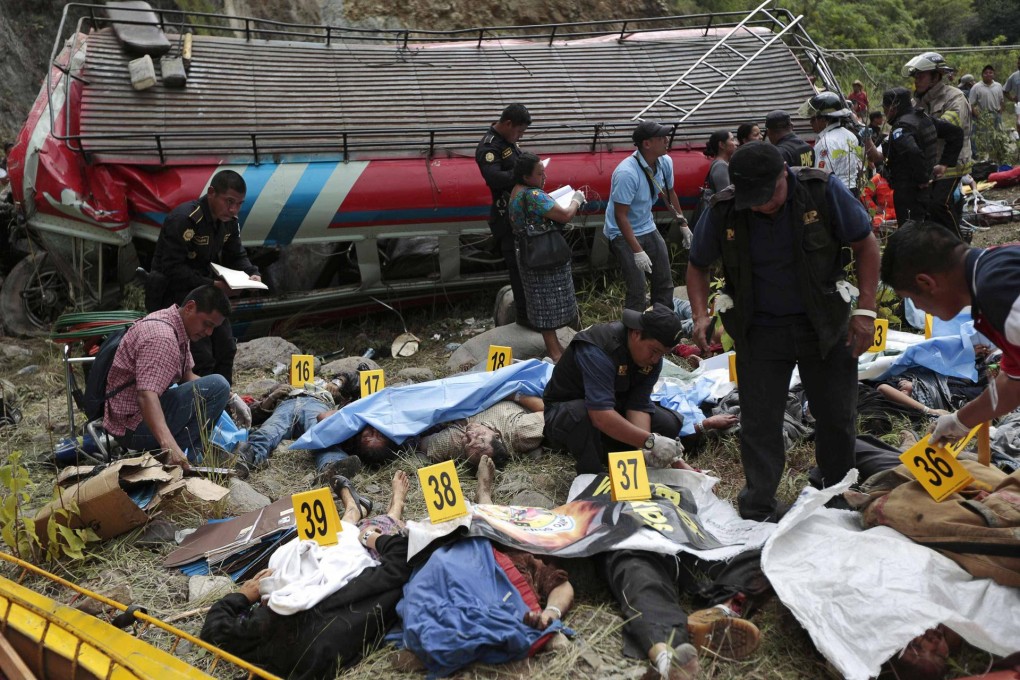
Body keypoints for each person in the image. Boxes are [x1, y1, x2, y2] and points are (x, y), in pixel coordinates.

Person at [686, 142, 880, 521]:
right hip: (759, 329)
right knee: (759, 422)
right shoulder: (725, 207)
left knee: (836, 415)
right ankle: (758, 506)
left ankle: (836, 493)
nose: (762, 205)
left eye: (769, 194)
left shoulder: (821, 190)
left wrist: (867, 310)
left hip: (824, 324)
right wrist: (699, 315)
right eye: (753, 199)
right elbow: (697, 265)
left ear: (785, 174)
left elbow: (865, 243)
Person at [200, 471, 414, 680]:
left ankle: (353, 511)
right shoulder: (355, 599)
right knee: (366, 534)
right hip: (355, 565)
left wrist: (245, 595)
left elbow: (213, 630)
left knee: (323, 543)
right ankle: (394, 509)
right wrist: (368, 536)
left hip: (317, 576)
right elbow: (402, 556)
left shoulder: (266, 636)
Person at [392, 455, 573, 676]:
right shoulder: (427, 538)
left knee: (493, 526)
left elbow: (560, 585)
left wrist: (550, 614)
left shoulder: (514, 555)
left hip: (482, 542)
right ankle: (480, 497)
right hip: (438, 545)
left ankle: (483, 495)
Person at [880, 221, 1020, 447]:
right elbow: (1012, 383)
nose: (921, 309)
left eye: (914, 300)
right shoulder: (998, 261)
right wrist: (960, 420)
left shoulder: (998, 294)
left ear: (926, 282)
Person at [543, 303, 691, 475]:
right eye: (654, 351)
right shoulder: (598, 349)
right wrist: (649, 441)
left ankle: (617, 452)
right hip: (570, 416)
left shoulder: (653, 359)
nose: (655, 359)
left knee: (668, 424)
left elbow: (638, 405)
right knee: (580, 414)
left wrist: (644, 450)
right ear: (636, 333)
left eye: (662, 354)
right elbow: (600, 415)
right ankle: (593, 473)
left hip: (612, 409)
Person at [147, 170, 260, 385]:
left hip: (206, 290)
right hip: (175, 295)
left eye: (239, 203)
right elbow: (172, 268)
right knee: (200, 356)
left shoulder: (229, 221)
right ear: (211, 193)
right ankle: (201, 406)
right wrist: (214, 285)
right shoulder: (185, 219)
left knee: (226, 347)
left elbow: (236, 254)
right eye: (229, 201)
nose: (233, 209)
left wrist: (252, 273)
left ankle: (223, 399)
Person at [102, 285, 233, 469]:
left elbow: (187, 376)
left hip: (133, 417)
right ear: (190, 308)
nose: (209, 333)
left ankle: (189, 458)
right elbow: (146, 396)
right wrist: (169, 445)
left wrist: (231, 397)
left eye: (213, 327)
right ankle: (180, 459)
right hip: (132, 426)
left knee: (219, 388)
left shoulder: (176, 324)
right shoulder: (162, 338)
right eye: (207, 324)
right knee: (219, 385)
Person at [604, 121, 690, 312]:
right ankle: (633, 334)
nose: (666, 140)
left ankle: (662, 325)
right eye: (661, 138)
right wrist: (637, 251)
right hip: (622, 232)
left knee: (664, 282)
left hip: (647, 226)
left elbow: (669, 193)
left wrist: (682, 223)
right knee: (637, 288)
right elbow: (620, 216)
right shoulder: (627, 173)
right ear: (647, 144)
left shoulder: (665, 162)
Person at [508, 152, 584, 361]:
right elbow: (565, 215)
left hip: (527, 253)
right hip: (544, 254)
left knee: (539, 302)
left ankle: (555, 348)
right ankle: (555, 353)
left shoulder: (516, 191)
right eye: (540, 174)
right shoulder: (534, 195)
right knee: (550, 302)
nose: (544, 178)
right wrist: (576, 200)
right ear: (526, 176)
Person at [864, 87, 963, 226]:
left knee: (911, 234)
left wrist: (922, 179)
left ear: (893, 107)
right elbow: (957, 133)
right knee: (926, 229)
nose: (885, 112)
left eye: (885, 108)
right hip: (926, 190)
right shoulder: (925, 119)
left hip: (909, 192)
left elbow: (913, 151)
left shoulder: (901, 128)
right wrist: (944, 165)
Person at [233, 381, 365, 482]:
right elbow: (252, 415)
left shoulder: (328, 385)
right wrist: (272, 397)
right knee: (268, 431)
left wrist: (338, 381)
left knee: (322, 432)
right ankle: (244, 459)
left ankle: (333, 467)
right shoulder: (281, 386)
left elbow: (353, 380)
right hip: (285, 405)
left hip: (318, 404)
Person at [903, 51, 973, 239]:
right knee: (929, 208)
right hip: (931, 163)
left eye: (921, 76)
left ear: (936, 76)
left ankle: (960, 246)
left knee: (939, 204)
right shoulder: (918, 100)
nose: (916, 80)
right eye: (915, 76)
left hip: (952, 163)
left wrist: (916, 124)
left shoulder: (954, 97)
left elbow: (948, 128)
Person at [476, 103, 533, 328]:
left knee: (528, 266)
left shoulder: (508, 141)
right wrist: (524, 175)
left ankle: (533, 311)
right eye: (518, 131)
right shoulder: (489, 148)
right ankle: (525, 317)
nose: (519, 136)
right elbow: (494, 178)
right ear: (508, 124)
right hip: (506, 217)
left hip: (520, 213)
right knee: (518, 270)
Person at [421, 393, 545, 467]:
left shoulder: (457, 440)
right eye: (480, 437)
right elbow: (548, 411)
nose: (469, 433)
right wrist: (515, 394)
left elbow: (422, 446)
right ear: (496, 435)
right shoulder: (520, 431)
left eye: (468, 440)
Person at [801, 91, 864, 195]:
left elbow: (822, 177)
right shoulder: (851, 135)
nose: (810, 123)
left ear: (824, 119)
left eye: (813, 119)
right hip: (852, 190)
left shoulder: (826, 142)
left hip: (835, 192)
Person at [969, 64, 1008, 163]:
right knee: (985, 138)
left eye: (990, 72)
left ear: (993, 74)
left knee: (998, 137)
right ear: (982, 75)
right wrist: (978, 116)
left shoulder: (998, 86)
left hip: (996, 114)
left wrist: (1001, 110)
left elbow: (1002, 100)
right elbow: (971, 104)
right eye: (986, 73)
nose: (988, 74)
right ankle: (984, 159)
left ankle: (998, 157)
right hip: (984, 116)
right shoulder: (976, 87)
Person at [1004, 56, 1020, 137]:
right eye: (1018, 63)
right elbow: (1005, 90)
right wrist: (1012, 98)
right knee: (1019, 123)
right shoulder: (1014, 76)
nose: (1019, 64)